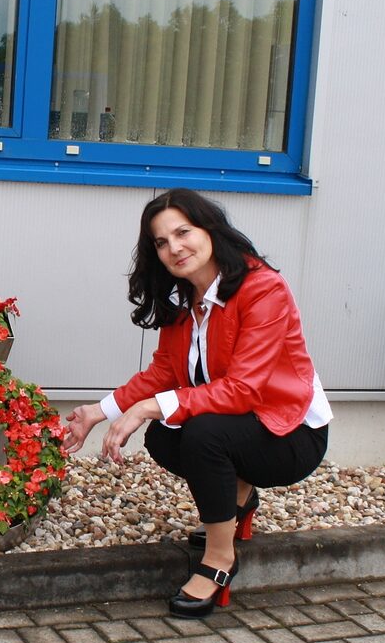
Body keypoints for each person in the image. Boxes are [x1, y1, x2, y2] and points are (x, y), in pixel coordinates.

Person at [63, 188, 332, 619]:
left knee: (202, 435)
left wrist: (151, 406)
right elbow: (164, 372)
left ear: (210, 229)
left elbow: (244, 389)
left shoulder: (263, 289)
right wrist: (98, 412)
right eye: (161, 242)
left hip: (293, 432)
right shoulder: (183, 297)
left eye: (183, 232)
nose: (174, 247)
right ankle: (239, 498)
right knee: (166, 439)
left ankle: (220, 559)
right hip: (246, 423)